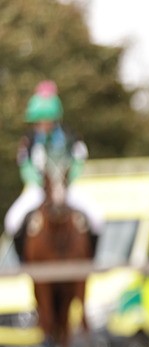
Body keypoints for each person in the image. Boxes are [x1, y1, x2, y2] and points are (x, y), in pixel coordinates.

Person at [4, 81, 105, 259]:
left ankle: (90, 260)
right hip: (38, 189)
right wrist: (41, 183)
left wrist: (65, 182)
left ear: (54, 119)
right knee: (12, 221)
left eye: (45, 120)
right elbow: (25, 166)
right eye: (38, 121)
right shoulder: (29, 140)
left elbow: (78, 161)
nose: (41, 124)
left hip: (67, 187)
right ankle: (25, 262)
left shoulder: (70, 137)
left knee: (97, 217)